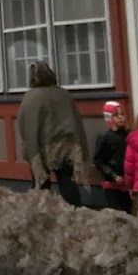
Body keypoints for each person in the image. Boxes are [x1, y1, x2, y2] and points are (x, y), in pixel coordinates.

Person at [15, 60, 88, 206]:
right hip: (66, 149)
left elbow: (24, 124)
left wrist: (30, 148)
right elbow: (75, 121)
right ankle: (74, 215)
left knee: (42, 186)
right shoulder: (64, 95)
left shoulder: (30, 97)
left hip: (41, 150)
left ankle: (42, 216)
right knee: (68, 186)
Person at [92, 100, 132, 214]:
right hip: (111, 184)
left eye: (122, 114)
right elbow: (98, 160)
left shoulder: (129, 135)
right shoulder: (104, 137)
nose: (121, 118)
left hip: (127, 184)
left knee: (129, 215)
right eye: (116, 115)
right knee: (116, 216)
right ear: (109, 118)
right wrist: (113, 175)